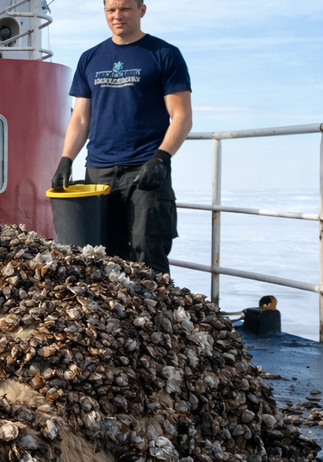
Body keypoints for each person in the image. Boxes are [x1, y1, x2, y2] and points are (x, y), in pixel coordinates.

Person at [50, 0, 192, 275]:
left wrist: (161, 159)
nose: (118, 16)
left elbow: (182, 117)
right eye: (111, 10)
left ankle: (156, 317)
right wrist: (65, 160)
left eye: (125, 8)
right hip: (99, 172)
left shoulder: (164, 54)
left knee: (147, 253)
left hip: (145, 170)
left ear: (142, 10)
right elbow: (80, 118)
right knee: (102, 257)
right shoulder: (90, 58)